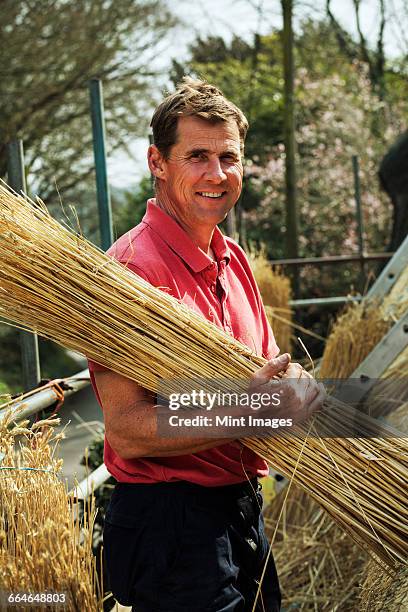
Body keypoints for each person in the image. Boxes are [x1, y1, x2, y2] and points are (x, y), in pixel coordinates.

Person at [88, 78, 325, 612]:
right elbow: (127, 431)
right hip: (170, 525)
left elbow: (265, 376)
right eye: (197, 156)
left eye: (229, 157)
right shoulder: (129, 272)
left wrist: (295, 389)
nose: (217, 175)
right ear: (158, 162)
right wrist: (250, 411)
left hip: (240, 510)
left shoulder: (234, 259)